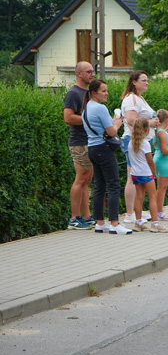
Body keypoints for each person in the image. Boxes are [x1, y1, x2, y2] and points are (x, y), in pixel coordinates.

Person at [81, 80, 131, 234]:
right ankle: (115, 224)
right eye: (103, 91)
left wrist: (113, 124)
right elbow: (111, 132)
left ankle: (100, 222)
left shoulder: (85, 109)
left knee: (99, 186)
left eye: (106, 90)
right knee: (114, 184)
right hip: (104, 149)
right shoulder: (100, 108)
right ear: (94, 92)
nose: (106, 93)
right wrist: (117, 123)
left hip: (92, 148)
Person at [120, 71, 159, 224]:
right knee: (132, 176)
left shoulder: (139, 98)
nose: (147, 82)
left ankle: (136, 211)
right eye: (143, 80)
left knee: (137, 176)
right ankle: (130, 213)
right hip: (133, 140)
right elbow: (131, 120)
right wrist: (150, 123)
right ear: (134, 82)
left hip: (141, 141)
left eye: (147, 80)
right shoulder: (132, 99)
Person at [63, 61, 96, 230]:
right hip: (79, 142)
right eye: (88, 71)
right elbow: (68, 117)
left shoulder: (89, 92)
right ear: (79, 74)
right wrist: (89, 119)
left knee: (87, 180)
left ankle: (87, 216)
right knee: (80, 179)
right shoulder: (73, 93)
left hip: (90, 141)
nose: (92, 74)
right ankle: (74, 218)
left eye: (93, 71)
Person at [128, 117, 168, 232]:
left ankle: (138, 222)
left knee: (139, 197)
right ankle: (155, 224)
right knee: (152, 197)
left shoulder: (131, 143)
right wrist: (154, 173)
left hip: (135, 173)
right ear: (146, 130)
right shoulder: (144, 143)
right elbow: (150, 161)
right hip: (146, 173)